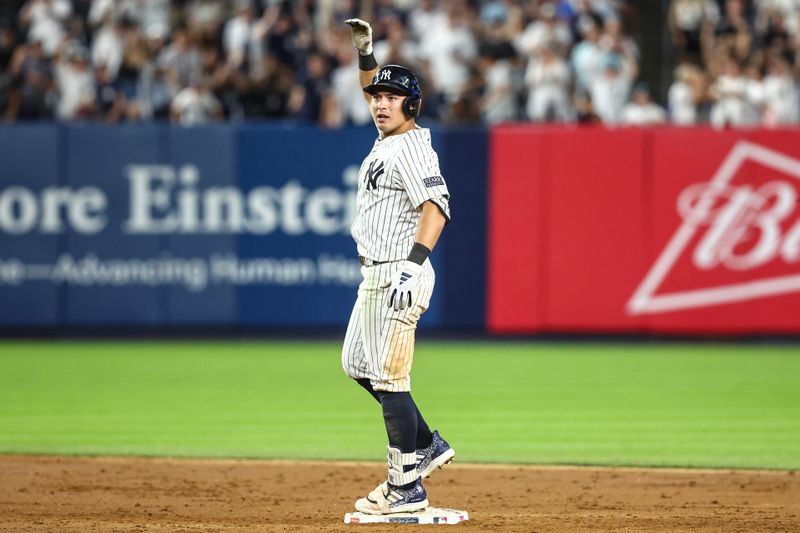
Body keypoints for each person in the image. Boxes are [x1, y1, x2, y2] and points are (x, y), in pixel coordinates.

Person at [341, 17, 455, 516]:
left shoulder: (410, 147)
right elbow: (373, 85)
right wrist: (367, 55)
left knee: (391, 380)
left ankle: (404, 487)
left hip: (398, 271)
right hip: (376, 273)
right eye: (376, 96)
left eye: (392, 97)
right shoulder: (388, 138)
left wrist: (414, 264)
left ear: (412, 105)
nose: (380, 102)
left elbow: (438, 206)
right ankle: (425, 443)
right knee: (357, 365)